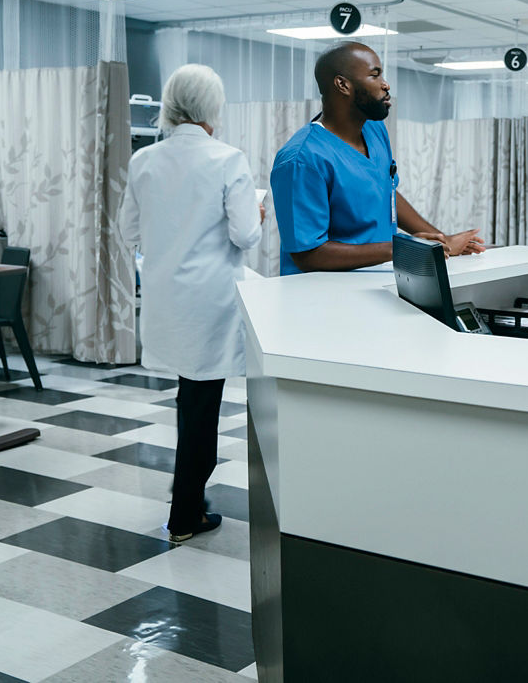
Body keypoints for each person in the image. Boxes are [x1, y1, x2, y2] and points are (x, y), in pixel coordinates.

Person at [119, 64, 263, 543]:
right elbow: (246, 235)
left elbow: (128, 232)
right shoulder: (228, 158)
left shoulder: (145, 161)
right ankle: (185, 514)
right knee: (202, 406)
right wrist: (258, 212)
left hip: (165, 299)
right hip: (211, 303)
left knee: (192, 401)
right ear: (212, 107)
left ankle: (189, 502)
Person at [271, 42, 484, 273]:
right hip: (320, 296)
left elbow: (386, 190)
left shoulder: (374, 130)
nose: (386, 85)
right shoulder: (302, 160)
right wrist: (400, 249)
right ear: (343, 85)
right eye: (375, 75)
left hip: (377, 280)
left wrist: (439, 241)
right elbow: (308, 255)